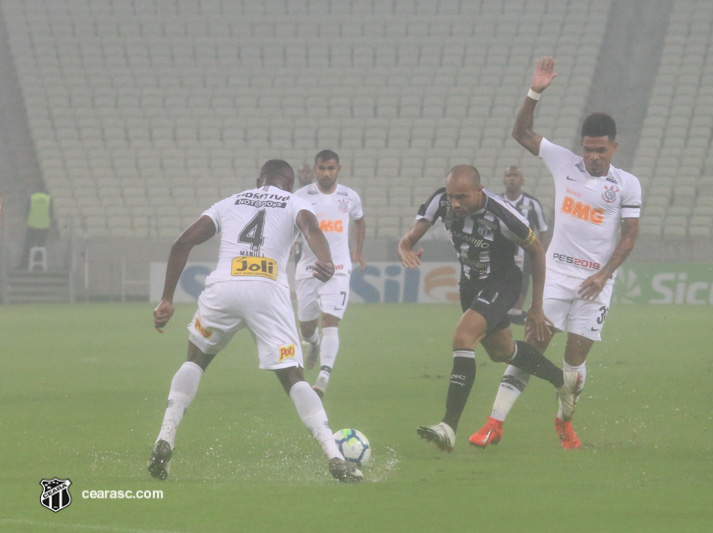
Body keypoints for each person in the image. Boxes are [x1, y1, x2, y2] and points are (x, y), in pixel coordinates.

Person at [148, 159, 362, 482]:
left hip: (224, 288)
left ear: (258, 180)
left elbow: (182, 242)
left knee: (195, 360)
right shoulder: (296, 202)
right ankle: (335, 458)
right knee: (294, 378)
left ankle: (164, 437)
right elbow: (311, 229)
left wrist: (166, 298)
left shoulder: (230, 201)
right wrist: (326, 261)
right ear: (289, 185)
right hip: (267, 291)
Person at [469, 57, 642, 450]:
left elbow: (629, 236)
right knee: (531, 350)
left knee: (574, 368)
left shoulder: (628, 185)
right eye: (587, 150)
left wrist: (603, 274)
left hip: (595, 286)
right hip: (556, 276)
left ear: (613, 147)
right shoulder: (564, 161)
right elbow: (521, 132)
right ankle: (494, 424)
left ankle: (564, 420)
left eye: (599, 150)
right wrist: (535, 92)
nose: (592, 157)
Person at [398, 164, 581, 452]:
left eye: (462, 197)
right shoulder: (441, 200)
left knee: (463, 337)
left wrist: (535, 305)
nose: (455, 203)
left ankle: (448, 426)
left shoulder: (503, 214)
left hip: (502, 281)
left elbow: (537, 251)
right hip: (470, 284)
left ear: (479, 191)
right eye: (451, 196)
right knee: (502, 352)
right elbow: (409, 238)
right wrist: (406, 247)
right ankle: (563, 381)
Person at [294, 150, 366, 398]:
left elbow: (360, 221)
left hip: (338, 269)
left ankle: (323, 377)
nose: (326, 173)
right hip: (308, 268)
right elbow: (290, 224)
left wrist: (357, 252)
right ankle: (313, 345)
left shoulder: (350, 196)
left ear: (339, 169)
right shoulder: (301, 196)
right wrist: (291, 242)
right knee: (306, 327)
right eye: (322, 168)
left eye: (331, 168)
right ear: (315, 169)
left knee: (330, 322)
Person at [501, 166, 551, 325]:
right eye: (509, 175)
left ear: (522, 180)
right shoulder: (496, 201)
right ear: (504, 179)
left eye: (515, 175)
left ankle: (516, 319)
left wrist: (537, 254)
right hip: (499, 255)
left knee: (516, 303)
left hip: (523, 257)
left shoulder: (532, 204)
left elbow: (543, 230)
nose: (512, 178)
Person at [19, 189, 52, 269]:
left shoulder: (32, 197)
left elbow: (27, 211)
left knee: (28, 245)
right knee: (41, 245)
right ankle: (39, 265)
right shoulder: (48, 199)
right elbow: (51, 213)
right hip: (44, 226)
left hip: (32, 225)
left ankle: (24, 264)